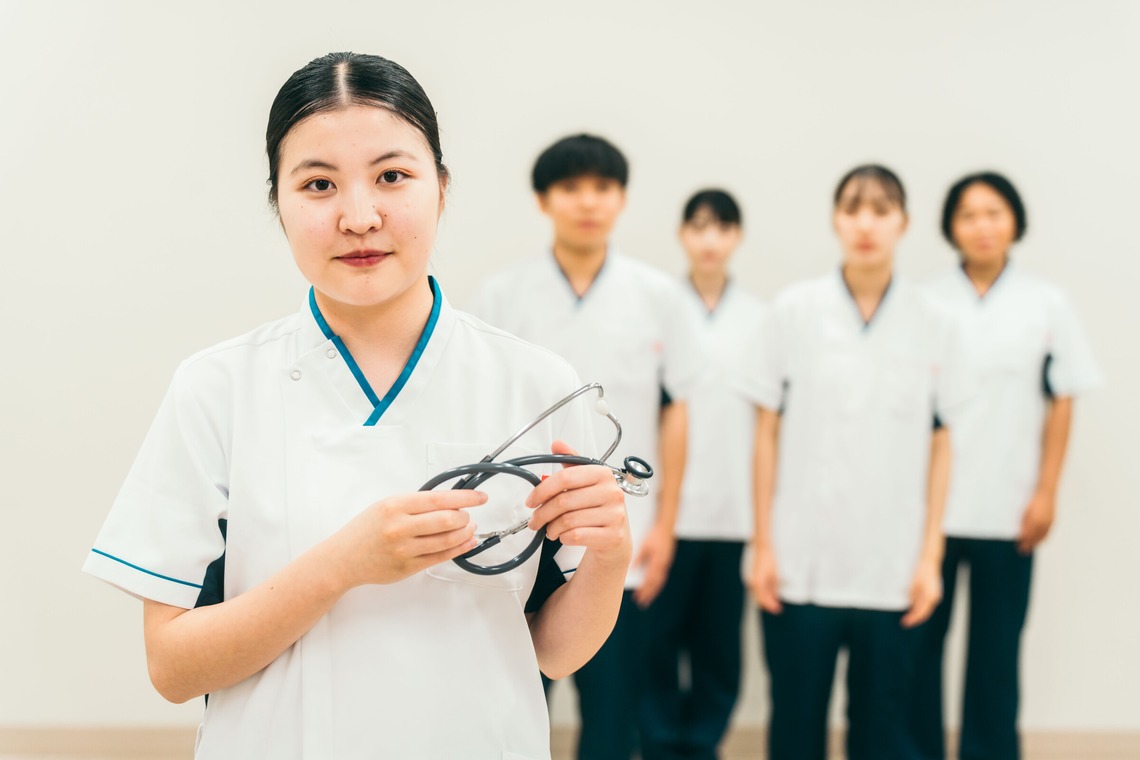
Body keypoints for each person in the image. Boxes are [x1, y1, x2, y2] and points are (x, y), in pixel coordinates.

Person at [81, 52, 633, 760]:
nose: (360, 216)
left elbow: (555, 653)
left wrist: (611, 554)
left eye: (392, 176)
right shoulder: (216, 388)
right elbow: (174, 668)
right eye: (318, 184)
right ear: (277, 201)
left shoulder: (537, 382)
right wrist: (343, 564)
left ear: (441, 187)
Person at [467, 134, 700, 760]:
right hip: (521, 527)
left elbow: (676, 414)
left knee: (614, 705)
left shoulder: (658, 298)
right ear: (544, 199)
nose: (587, 202)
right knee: (514, 699)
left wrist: (667, 525)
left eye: (601, 187)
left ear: (620, 198)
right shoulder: (501, 297)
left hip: (617, 526)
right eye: (570, 187)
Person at [741, 165, 971, 760]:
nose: (866, 223)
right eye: (852, 208)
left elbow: (943, 443)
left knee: (883, 732)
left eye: (881, 209)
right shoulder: (794, 310)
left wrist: (931, 558)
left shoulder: (936, 322)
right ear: (834, 219)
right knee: (795, 725)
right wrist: (763, 545)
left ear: (905, 223)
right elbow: (765, 432)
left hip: (892, 568)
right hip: (800, 564)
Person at [912, 172, 1103, 760]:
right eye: (968, 215)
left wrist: (1046, 491)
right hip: (929, 513)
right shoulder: (924, 301)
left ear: (1015, 221)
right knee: (919, 652)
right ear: (950, 228)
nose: (982, 226)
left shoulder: (1047, 304)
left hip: (1009, 503)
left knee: (996, 654)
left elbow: (1063, 397)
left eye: (994, 213)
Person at [639, 189, 765, 760]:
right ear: (682, 235)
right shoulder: (657, 306)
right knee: (656, 644)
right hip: (665, 518)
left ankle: (702, 747)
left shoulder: (763, 319)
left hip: (733, 515)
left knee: (720, 653)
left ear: (736, 237)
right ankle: (663, 746)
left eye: (722, 228)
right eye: (698, 227)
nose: (709, 239)